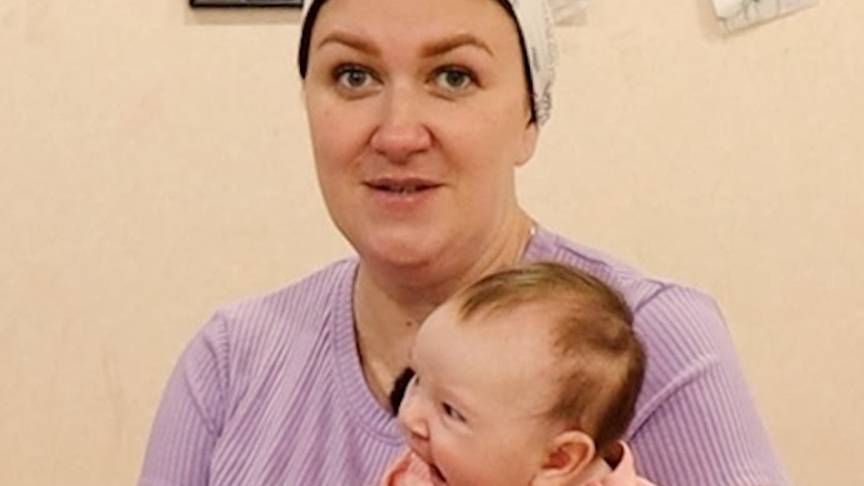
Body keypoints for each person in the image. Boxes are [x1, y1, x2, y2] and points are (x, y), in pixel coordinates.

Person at [138, 0, 790, 485]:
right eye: (354, 75)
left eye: (453, 76)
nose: (398, 134)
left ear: (531, 117)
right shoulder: (232, 362)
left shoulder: (639, 342)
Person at [379, 262, 654, 486]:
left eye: (452, 411)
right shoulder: (428, 469)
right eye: (417, 379)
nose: (411, 417)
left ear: (557, 459)